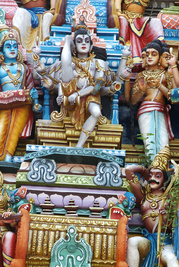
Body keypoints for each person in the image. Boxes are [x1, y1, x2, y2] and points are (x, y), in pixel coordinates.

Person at [34, 18, 131, 148]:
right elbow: (45, 77)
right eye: (79, 41)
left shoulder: (98, 64)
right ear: (74, 46)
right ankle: (69, 41)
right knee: (67, 65)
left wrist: (124, 57)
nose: (83, 43)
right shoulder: (65, 64)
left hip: (90, 96)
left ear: (91, 46)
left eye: (86, 41)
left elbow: (97, 88)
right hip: (70, 99)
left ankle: (79, 145)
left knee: (96, 112)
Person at [131, 39, 174, 160]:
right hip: (145, 109)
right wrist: (141, 90)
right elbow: (133, 101)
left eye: (154, 54)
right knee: (149, 142)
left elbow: (172, 96)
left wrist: (159, 85)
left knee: (163, 142)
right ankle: (151, 166)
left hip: (160, 109)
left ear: (160, 57)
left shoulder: (165, 74)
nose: (150, 57)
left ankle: (162, 166)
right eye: (148, 54)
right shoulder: (142, 75)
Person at [0, 31, 39, 161]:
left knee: (15, 130)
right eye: (8, 46)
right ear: (2, 52)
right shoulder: (0, 68)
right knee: (2, 129)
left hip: (22, 105)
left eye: (15, 46)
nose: (12, 49)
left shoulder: (24, 68)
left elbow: (30, 87)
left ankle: (8, 158)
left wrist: (35, 101)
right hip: (3, 105)